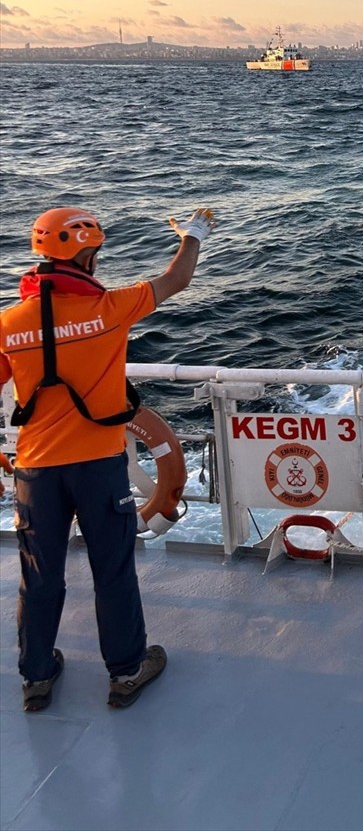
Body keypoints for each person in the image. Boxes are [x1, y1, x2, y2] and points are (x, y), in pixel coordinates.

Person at [0, 205, 215, 712]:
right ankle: (126, 670)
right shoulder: (110, 308)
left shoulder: (8, 323)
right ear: (88, 255)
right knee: (112, 570)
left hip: (36, 470)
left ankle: (36, 676)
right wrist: (192, 235)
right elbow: (177, 278)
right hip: (98, 467)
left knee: (40, 573)